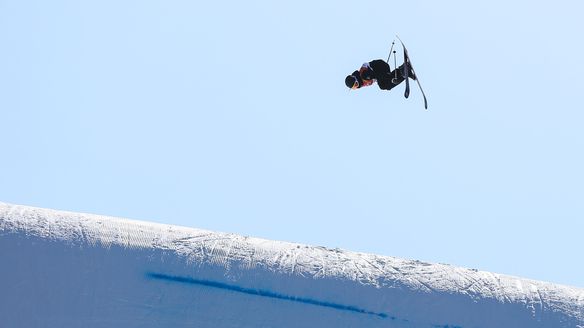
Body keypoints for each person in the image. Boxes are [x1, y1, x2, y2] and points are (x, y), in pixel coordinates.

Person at [345, 59, 415, 91]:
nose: (357, 87)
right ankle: (404, 72)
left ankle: (403, 72)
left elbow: (377, 75)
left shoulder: (363, 75)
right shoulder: (363, 80)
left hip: (380, 66)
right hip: (380, 71)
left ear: (356, 79)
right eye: (355, 87)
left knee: (384, 84)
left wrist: (388, 79)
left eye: (356, 84)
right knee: (385, 85)